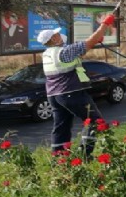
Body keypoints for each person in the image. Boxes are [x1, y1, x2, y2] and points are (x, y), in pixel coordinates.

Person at [36, 13, 115, 160]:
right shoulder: (63, 52)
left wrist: (95, 41)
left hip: (54, 95)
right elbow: (87, 44)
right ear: (53, 39)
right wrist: (104, 24)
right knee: (96, 122)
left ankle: (59, 158)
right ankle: (84, 156)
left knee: (61, 127)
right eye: (57, 34)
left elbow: (77, 55)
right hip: (71, 93)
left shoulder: (48, 53)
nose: (59, 34)